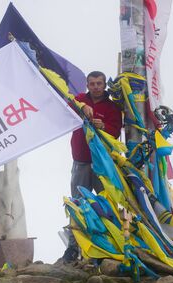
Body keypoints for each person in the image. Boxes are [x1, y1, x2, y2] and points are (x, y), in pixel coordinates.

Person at [62, 71, 122, 263]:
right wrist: (83, 105)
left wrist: (103, 126)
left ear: (104, 85)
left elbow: (116, 132)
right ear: (87, 85)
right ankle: (73, 248)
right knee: (77, 204)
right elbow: (68, 103)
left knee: (107, 203)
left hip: (102, 164)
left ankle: (110, 244)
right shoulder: (79, 98)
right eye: (92, 83)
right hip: (80, 160)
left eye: (99, 83)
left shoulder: (113, 107)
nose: (96, 87)